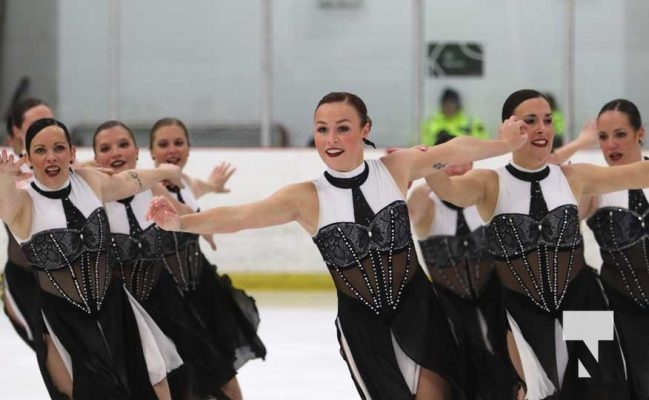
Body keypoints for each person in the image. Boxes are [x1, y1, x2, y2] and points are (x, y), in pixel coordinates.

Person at [147, 91, 528, 399]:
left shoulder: (395, 169)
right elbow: (242, 216)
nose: (331, 140)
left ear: (365, 129)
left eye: (343, 128)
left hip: (420, 309)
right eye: (322, 129)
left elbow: (452, 151)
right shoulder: (307, 197)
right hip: (362, 324)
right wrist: (181, 222)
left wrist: (503, 144)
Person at [423, 89, 643, 399]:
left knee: (598, 391)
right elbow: (443, 183)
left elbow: (641, 172)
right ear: (510, 127)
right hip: (525, 314)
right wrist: (499, 146)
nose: (541, 128)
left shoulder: (573, 176)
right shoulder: (489, 183)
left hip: (584, 306)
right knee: (540, 393)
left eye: (547, 120)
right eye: (530, 121)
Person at [0, 117, 185, 399]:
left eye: (59, 148)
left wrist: (163, 172)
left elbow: (127, 182)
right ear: (28, 158)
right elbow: (6, 205)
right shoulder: (24, 203)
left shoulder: (89, 181)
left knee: (154, 379)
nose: (51, 157)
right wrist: (4, 179)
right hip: (64, 320)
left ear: (72, 153)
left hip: (115, 306)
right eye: (40, 150)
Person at [93, 120, 243, 400]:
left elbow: (187, 209)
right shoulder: (91, 196)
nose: (116, 152)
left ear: (137, 152)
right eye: (105, 148)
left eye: (123, 145)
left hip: (168, 295)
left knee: (212, 372)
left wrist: (207, 222)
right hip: (124, 308)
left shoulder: (152, 187)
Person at [149, 117, 266, 398]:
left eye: (179, 142)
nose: (172, 149)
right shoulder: (146, 187)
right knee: (191, 380)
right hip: (169, 303)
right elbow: (182, 212)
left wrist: (214, 185)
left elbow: (198, 190)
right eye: (163, 144)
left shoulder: (187, 182)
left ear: (189, 149)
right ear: (152, 153)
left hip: (204, 291)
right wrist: (207, 224)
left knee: (223, 371)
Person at [407, 131, 516, 400]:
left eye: (464, 160)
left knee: (508, 358)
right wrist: (419, 176)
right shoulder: (425, 200)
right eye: (449, 161)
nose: (458, 168)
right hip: (448, 302)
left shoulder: (485, 192)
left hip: (495, 295)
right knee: (460, 364)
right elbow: (408, 214)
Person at [580, 99, 649, 399]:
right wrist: (577, 145)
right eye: (603, 137)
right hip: (614, 302)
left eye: (620, 134)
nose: (611, 145)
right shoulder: (593, 185)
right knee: (594, 378)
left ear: (639, 134)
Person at [421, 88, 489, 146]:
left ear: (458, 105)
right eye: (446, 105)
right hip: (437, 157)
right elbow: (423, 145)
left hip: (465, 158)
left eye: (451, 105)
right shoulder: (430, 122)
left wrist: (460, 141)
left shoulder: (471, 122)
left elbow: (482, 143)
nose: (448, 109)